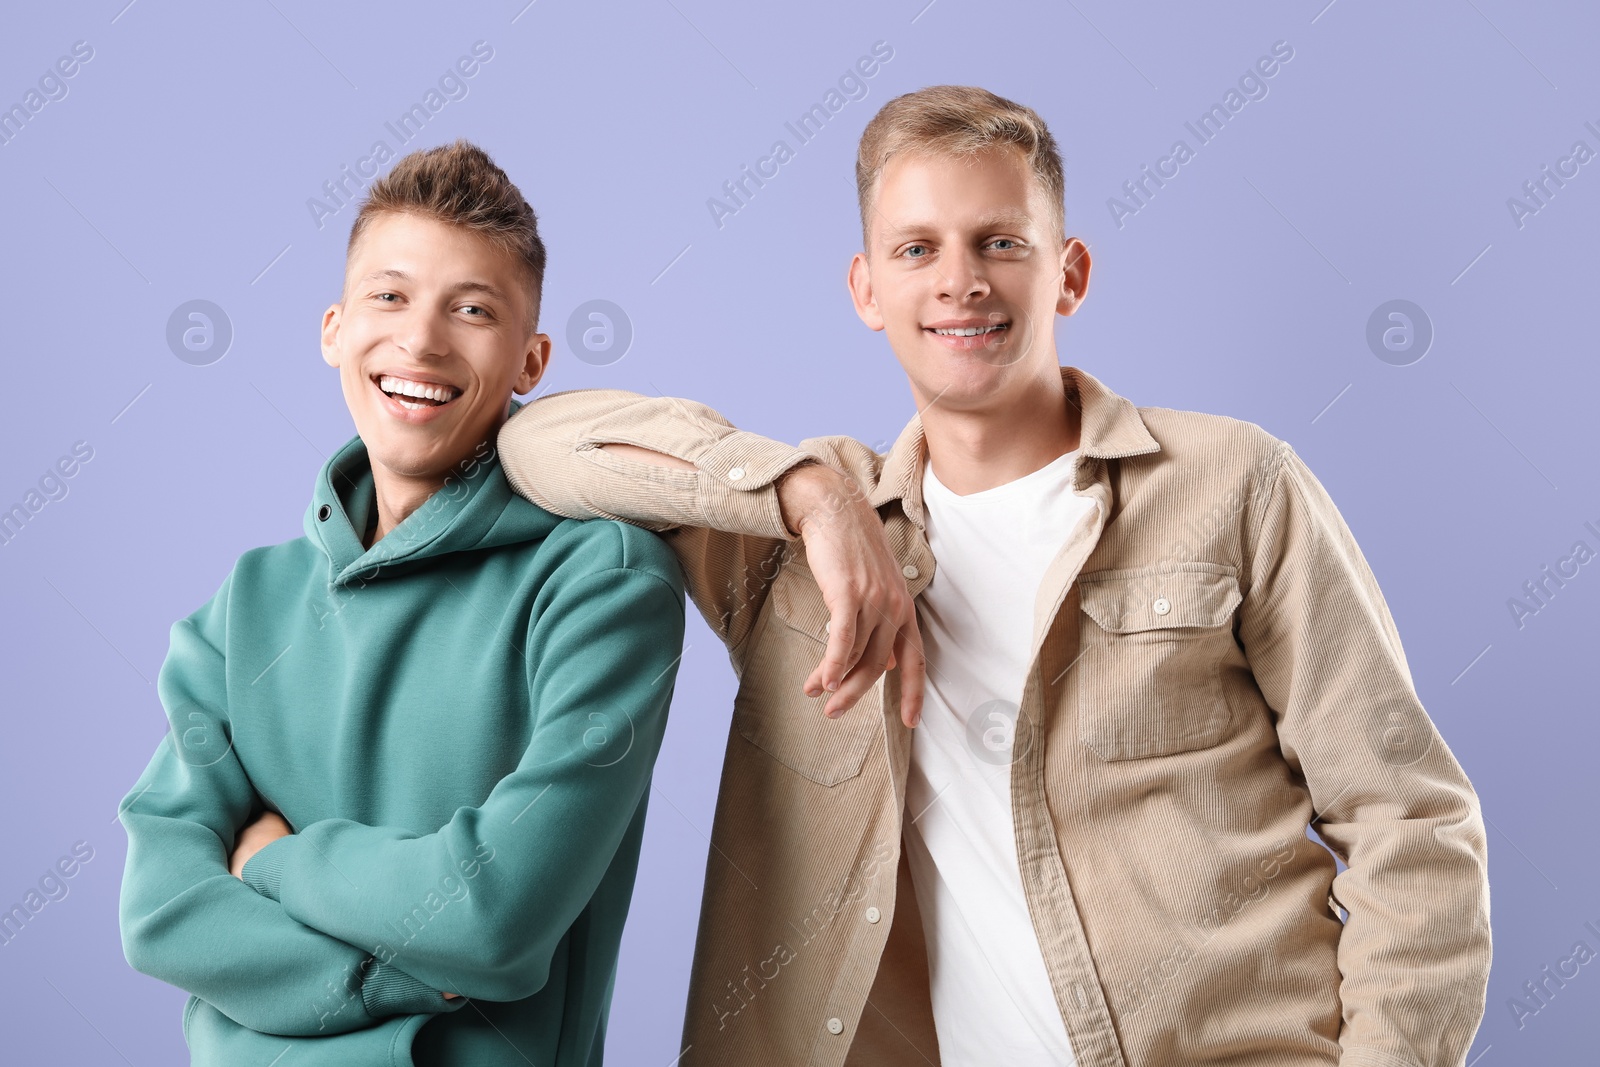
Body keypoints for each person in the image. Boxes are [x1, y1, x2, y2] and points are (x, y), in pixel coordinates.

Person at [494, 86, 1492, 1066]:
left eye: (1000, 242)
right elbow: (540, 438)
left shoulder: (1233, 485)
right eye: (915, 247)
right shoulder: (794, 551)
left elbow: (1410, 819)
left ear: (1069, 271)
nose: (959, 280)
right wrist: (812, 494)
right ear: (865, 288)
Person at [116, 140, 687, 1066]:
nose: (421, 341)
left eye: (472, 309)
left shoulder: (603, 579)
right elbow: (163, 911)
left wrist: (268, 860)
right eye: (389, 296)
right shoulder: (245, 608)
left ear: (531, 360)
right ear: (334, 328)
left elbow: (496, 913)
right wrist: (404, 980)